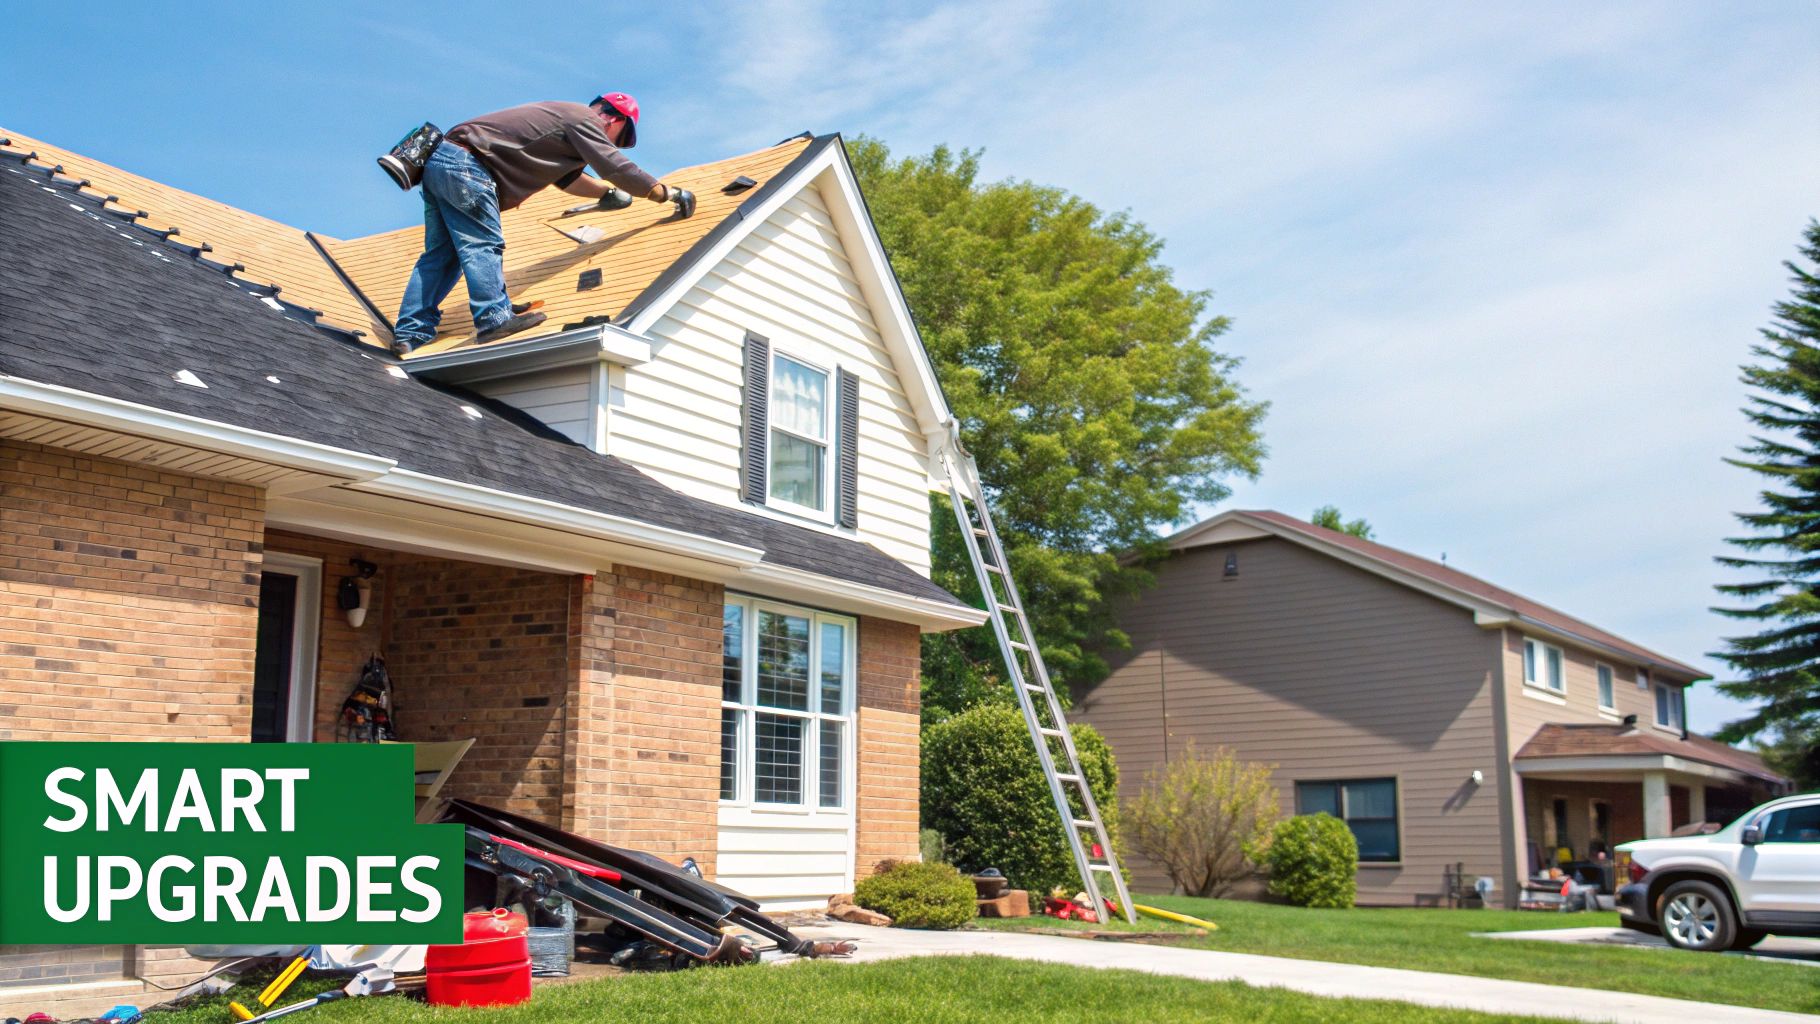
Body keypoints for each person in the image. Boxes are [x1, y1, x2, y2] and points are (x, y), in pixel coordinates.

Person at [389, 93, 695, 356]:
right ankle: (494, 318)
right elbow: (616, 167)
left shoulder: (562, 123)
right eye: (620, 139)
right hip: (467, 168)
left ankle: (411, 332)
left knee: (442, 256)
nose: (613, 143)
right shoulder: (584, 119)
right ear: (614, 121)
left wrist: (609, 192)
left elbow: (569, 180)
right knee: (482, 244)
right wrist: (666, 193)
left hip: (442, 164)